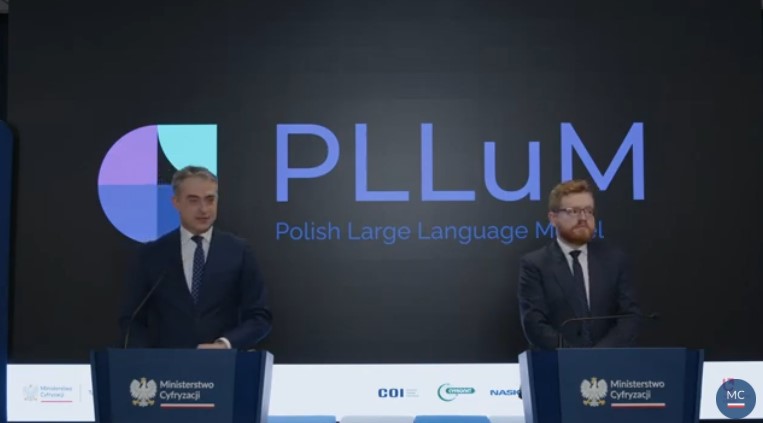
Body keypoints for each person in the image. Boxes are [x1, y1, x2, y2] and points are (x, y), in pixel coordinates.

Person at [119, 165, 272, 349]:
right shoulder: (152, 254)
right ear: (176, 202)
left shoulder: (238, 251)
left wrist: (225, 344)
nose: (204, 209)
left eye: (210, 199)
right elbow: (132, 319)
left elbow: (259, 317)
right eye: (193, 200)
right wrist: (147, 358)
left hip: (223, 363)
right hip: (166, 364)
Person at [518, 179, 639, 350]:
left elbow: (629, 317)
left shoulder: (614, 260)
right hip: (557, 361)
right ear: (553, 218)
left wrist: (600, 355)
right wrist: (575, 358)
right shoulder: (535, 264)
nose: (583, 218)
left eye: (588, 211)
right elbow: (534, 324)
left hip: (609, 362)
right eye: (574, 211)